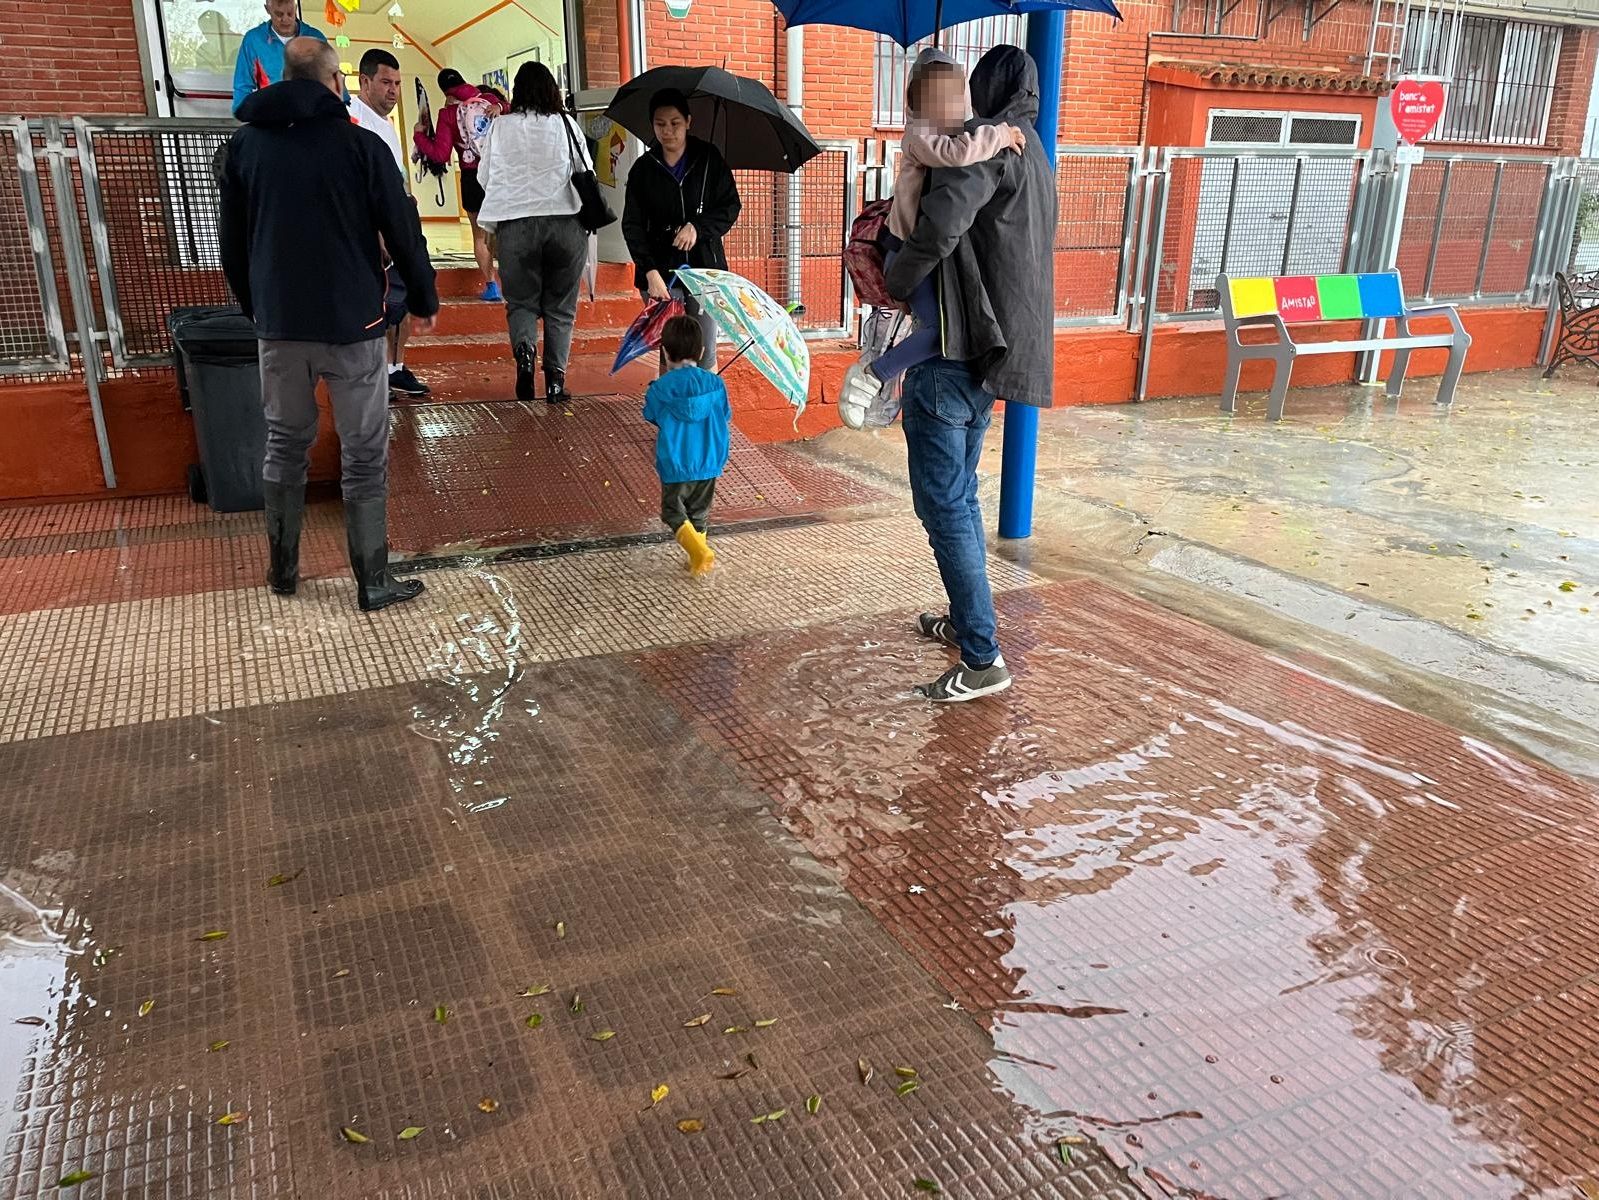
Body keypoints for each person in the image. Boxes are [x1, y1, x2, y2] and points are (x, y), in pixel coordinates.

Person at [220, 38, 440, 612]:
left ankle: (284, 572)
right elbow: (403, 229)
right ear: (335, 82)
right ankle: (372, 582)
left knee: (284, 443)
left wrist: (257, 307)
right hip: (354, 326)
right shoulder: (362, 146)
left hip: (280, 325)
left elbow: (232, 246)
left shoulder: (244, 148)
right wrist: (423, 293)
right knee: (364, 451)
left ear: (280, 79)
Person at [881, 44, 1057, 702]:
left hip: (948, 354)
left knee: (945, 508)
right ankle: (964, 624)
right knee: (964, 497)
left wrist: (896, 278)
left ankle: (982, 659)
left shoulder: (980, 150)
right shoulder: (1033, 152)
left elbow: (941, 227)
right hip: (992, 354)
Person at [838, 50, 1024, 427]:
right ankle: (873, 374)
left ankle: (877, 380)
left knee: (935, 328)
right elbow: (956, 155)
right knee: (941, 333)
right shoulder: (920, 135)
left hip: (916, 258)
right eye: (936, 99)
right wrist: (1000, 134)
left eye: (955, 96)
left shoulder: (942, 133)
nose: (949, 106)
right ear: (915, 106)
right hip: (904, 253)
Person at [476, 61, 591, 406]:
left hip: (516, 226)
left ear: (518, 91)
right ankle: (555, 382)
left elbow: (484, 177)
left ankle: (525, 358)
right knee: (560, 308)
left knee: (522, 303)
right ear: (552, 90)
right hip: (565, 224)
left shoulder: (501, 127)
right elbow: (585, 170)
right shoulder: (567, 124)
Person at [621, 89, 740, 370]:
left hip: (705, 273)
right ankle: (670, 412)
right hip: (661, 276)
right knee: (671, 355)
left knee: (705, 352)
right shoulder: (643, 169)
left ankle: (705, 410)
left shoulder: (709, 160)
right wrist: (650, 272)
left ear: (688, 121)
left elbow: (730, 207)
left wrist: (698, 227)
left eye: (675, 123)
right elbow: (632, 225)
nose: (668, 131)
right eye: (660, 124)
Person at [349, 48, 429, 399]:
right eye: (385, 82)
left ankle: (395, 368)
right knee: (381, 302)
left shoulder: (386, 125)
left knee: (405, 297)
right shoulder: (352, 118)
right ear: (365, 81)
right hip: (372, 232)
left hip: (399, 223)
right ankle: (376, 374)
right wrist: (380, 231)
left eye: (397, 83)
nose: (393, 90)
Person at [643, 315, 730, 575]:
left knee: (672, 511)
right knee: (699, 513)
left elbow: (650, 414)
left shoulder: (661, 387)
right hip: (710, 459)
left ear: (665, 353)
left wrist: (656, 392)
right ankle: (698, 564)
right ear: (701, 352)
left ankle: (699, 552)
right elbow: (725, 415)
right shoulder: (716, 383)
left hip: (677, 460)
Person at [414, 67, 508, 302]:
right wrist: (500, 107)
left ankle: (492, 287)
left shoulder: (448, 114)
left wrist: (419, 136)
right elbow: (508, 111)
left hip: (471, 177)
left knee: (479, 236)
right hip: (498, 175)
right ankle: (514, 283)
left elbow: (440, 154)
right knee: (506, 232)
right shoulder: (487, 99)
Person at [231, 0, 328, 115]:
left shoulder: (316, 39)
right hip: (270, 119)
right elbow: (242, 88)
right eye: (279, 14)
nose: (286, 19)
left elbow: (331, 81)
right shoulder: (253, 40)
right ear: (267, 9)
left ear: (296, 8)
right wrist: (247, 116)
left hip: (310, 118)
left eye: (290, 13)